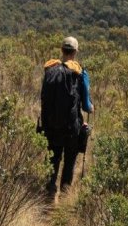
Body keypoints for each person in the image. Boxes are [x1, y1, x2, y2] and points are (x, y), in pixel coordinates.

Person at [38, 36, 93, 200]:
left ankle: (48, 195)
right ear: (75, 52)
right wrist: (91, 107)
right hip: (71, 129)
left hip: (50, 127)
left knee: (53, 160)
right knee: (69, 163)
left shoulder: (50, 70)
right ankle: (64, 199)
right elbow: (86, 106)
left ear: (62, 50)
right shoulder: (80, 73)